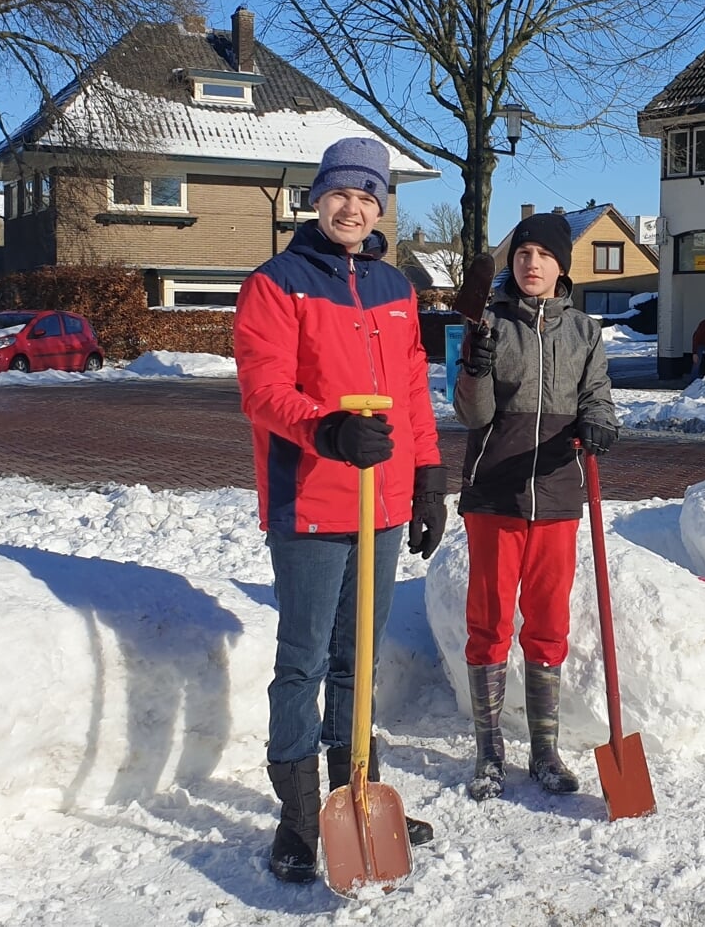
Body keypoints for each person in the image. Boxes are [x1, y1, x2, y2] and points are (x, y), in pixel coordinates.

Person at [233, 136, 447, 883]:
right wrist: (327, 428)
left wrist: (426, 478)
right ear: (316, 198)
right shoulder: (277, 282)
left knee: (360, 660)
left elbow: (415, 390)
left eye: (366, 195)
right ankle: (296, 821)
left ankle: (354, 793)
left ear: (381, 205)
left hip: (382, 501)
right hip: (311, 501)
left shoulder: (394, 288)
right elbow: (262, 389)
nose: (352, 207)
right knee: (303, 661)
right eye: (339, 194)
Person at [453, 212, 620, 801]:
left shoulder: (584, 331)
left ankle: (544, 748)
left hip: (555, 492)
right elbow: (471, 416)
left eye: (543, 255)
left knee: (548, 623)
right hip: (495, 491)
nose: (531, 263)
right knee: (490, 619)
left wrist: (599, 420)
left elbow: (597, 392)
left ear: (560, 266)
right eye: (522, 253)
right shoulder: (490, 324)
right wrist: (474, 368)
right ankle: (489, 747)